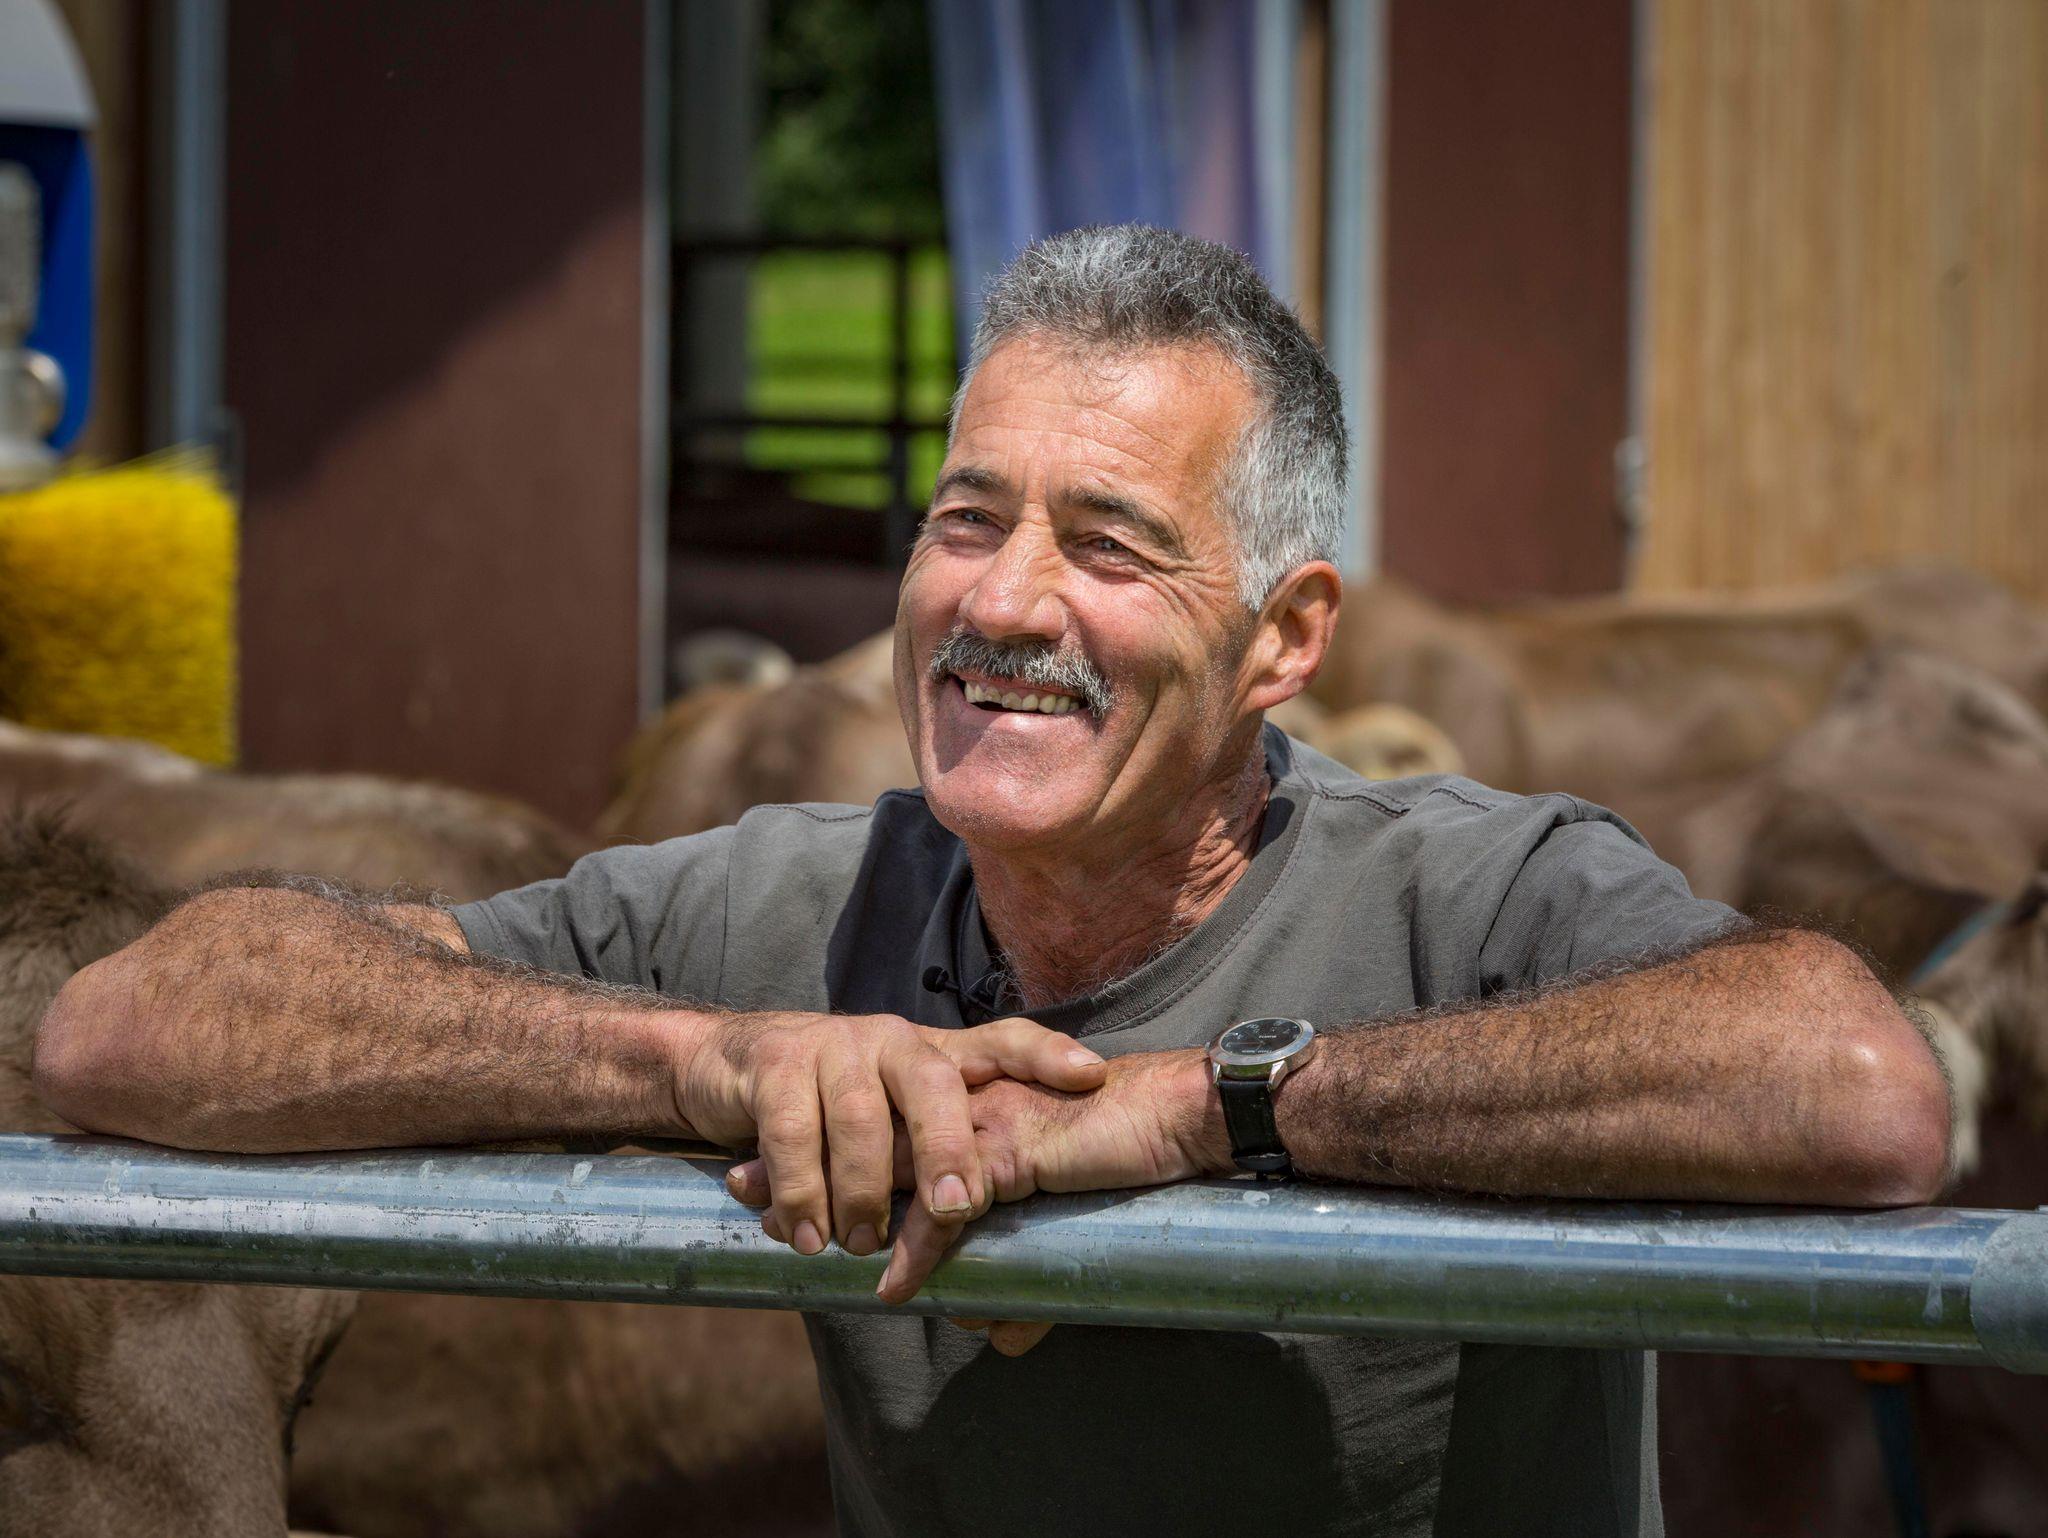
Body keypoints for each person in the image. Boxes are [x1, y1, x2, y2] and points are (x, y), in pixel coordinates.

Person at [37, 225, 1949, 1537]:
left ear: (1284, 640)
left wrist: (1208, 1108)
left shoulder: (1470, 893)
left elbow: (1858, 1083)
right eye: (966, 518)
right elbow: (135, 1022)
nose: (1004, 600)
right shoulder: (799, 911)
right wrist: (714, 1060)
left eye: (1109, 544)